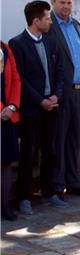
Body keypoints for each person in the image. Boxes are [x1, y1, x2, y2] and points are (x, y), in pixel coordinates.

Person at [9, 0, 65, 216]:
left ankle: (49, 193)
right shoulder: (18, 43)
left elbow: (59, 71)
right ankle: (24, 197)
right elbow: (19, 79)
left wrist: (55, 96)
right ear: (36, 21)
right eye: (48, 18)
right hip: (32, 110)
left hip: (52, 107)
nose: (50, 21)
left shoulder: (51, 42)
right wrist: (39, 100)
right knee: (29, 152)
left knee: (50, 150)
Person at [47, 0, 80, 200]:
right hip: (61, 93)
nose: (66, 6)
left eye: (69, 2)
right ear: (53, 2)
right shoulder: (50, 28)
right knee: (59, 141)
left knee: (75, 141)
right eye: (62, 2)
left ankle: (74, 182)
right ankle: (57, 186)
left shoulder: (77, 25)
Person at [1, 41, 22, 221]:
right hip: (2, 111)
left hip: (8, 115)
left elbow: (15, 78)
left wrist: (12, 106)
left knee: (6, 161)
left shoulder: (5, 48)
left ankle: (5, 205)